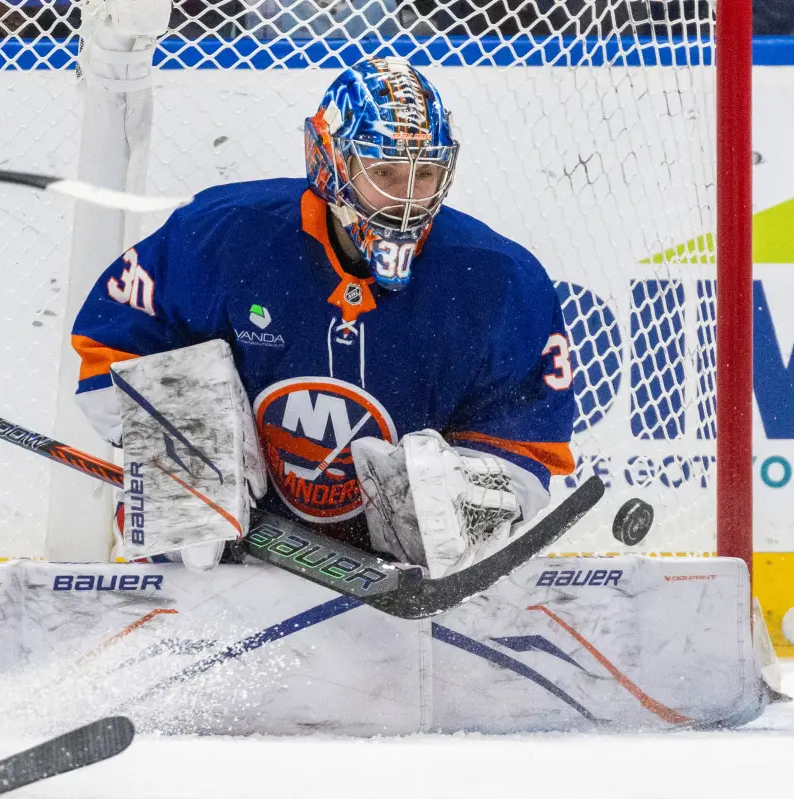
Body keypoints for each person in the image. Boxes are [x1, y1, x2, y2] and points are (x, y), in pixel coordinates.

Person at [70, 56, 576, 574]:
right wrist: (178, 448)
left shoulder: (499, 278)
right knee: (189, 503)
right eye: (384, 172)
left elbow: (528, 434)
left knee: (439, 493)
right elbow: (112, 339)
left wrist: (466, 499)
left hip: (398, 560)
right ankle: (193, 509)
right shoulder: (223, 234)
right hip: (215, 545)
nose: (406, 198)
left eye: (425, 174)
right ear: (329, 161)